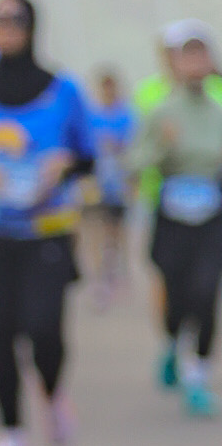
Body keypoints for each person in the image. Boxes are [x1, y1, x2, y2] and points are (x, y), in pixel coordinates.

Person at [0, 0, 97, 446]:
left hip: (47, 230)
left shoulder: (64, 90)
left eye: (15, 20)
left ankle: (52, 391)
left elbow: (88, 156)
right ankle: (12, 433)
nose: (6, 28)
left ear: (33, 26)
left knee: (44, 328)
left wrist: (63, 165)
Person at [135, 21, 222, 413]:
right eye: (187, 55)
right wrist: (161, 149)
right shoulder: (160, 110)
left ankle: (198, 374)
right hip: (171, 214)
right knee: (177, 294)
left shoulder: (217, 110)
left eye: (201, 53)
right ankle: (172, 342)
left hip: (211, 214)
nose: (195, 63)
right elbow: (134, 161)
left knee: (206, 292)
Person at [82, 67, 134, 302]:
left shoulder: (126, 116)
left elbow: (132, 150)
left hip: (118, 184)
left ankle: (120, 273)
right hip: (97, 183)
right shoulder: (91, 115)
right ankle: (98, 278)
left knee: (118, 231)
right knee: (95, 229)